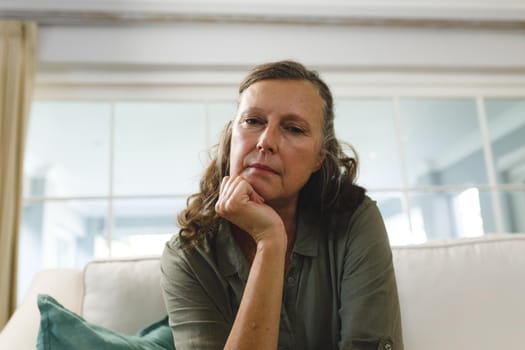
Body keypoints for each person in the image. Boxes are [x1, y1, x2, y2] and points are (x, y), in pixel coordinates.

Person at [160, 60, 403, 350]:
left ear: (319, 158)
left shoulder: (355, 221)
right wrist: (270, 241)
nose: (266, 141)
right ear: (230, 137)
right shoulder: (188, 256)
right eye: (253, 121)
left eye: (293, 128)